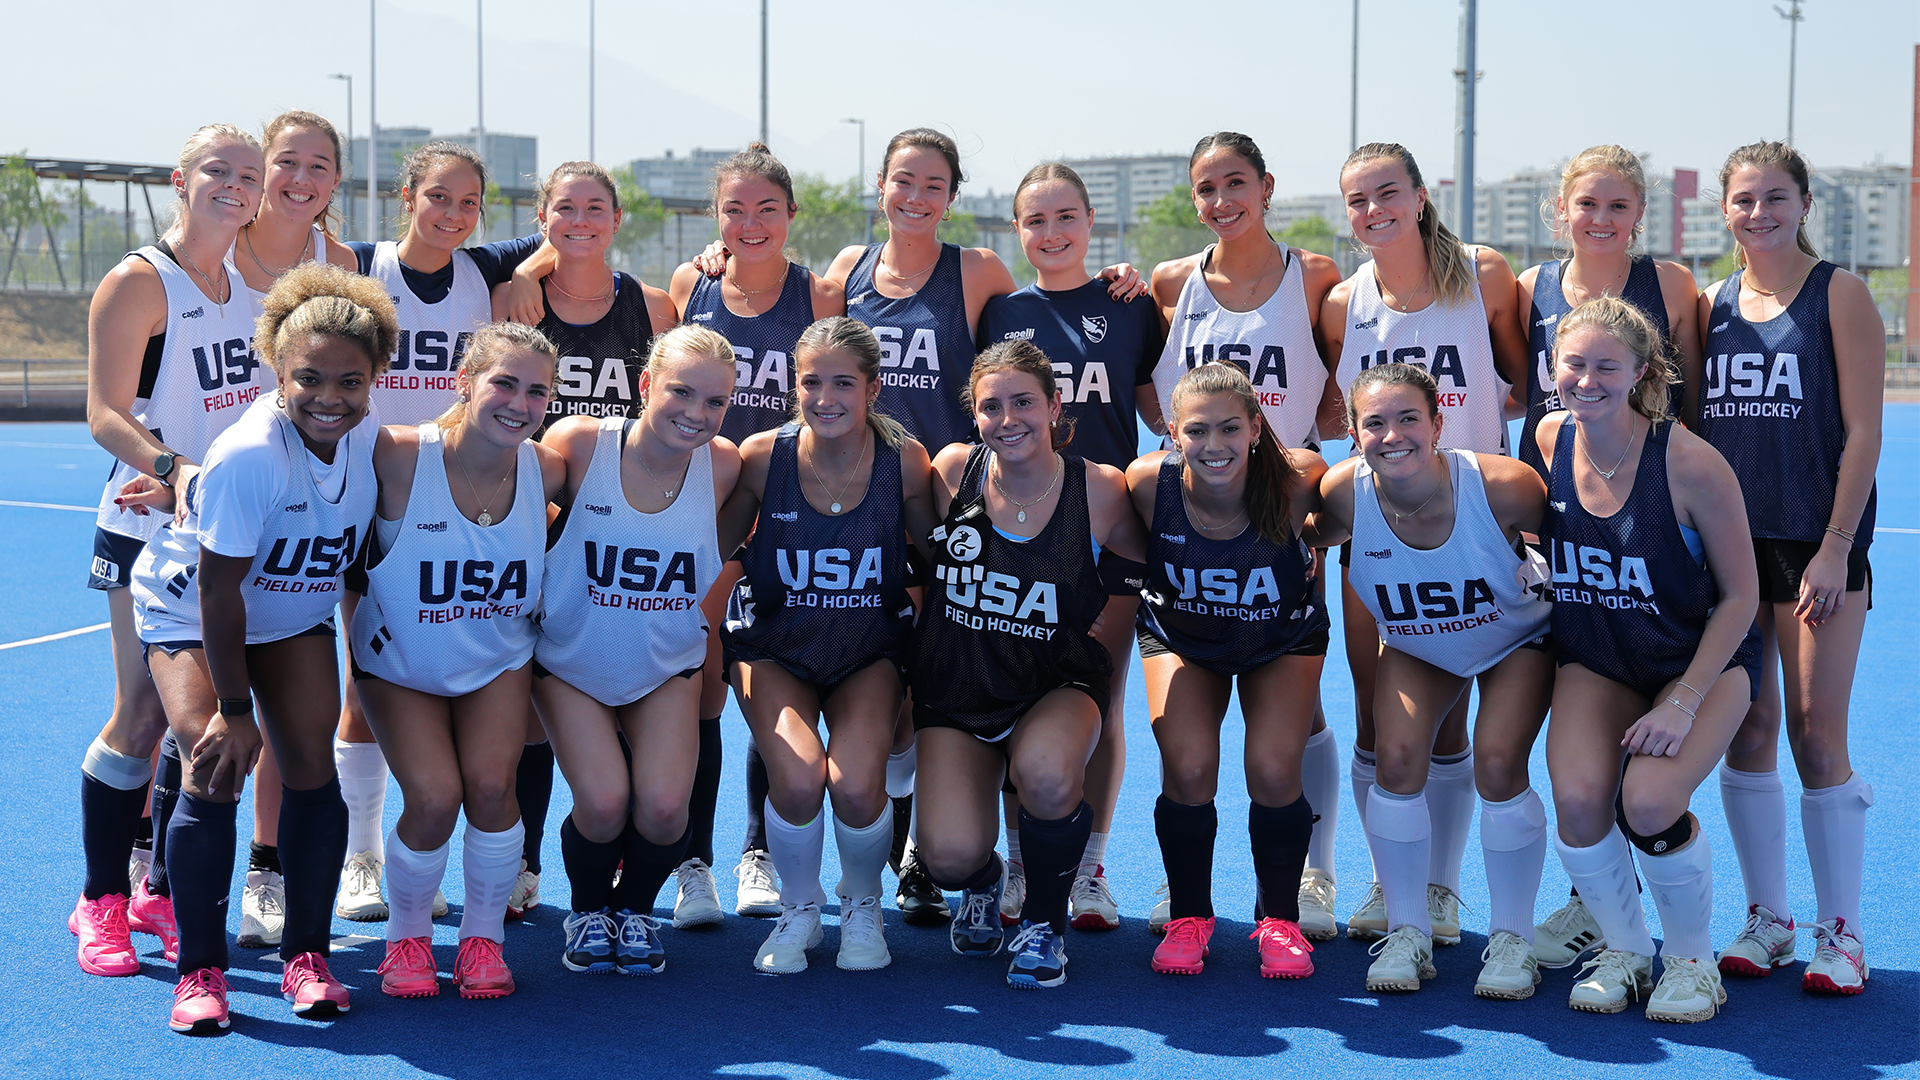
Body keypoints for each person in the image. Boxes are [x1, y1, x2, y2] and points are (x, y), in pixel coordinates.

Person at [122, 262, 398, 1032]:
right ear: (278, 367)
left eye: (350, 381)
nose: (329, 397)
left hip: (289, 611)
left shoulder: (364, 430)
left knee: (313, 772)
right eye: (309, 377)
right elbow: (218, 592)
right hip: (195, 613)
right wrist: (235, 709)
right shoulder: (251, 454)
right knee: (214, 765)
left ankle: (306, 957)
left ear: (376, 376)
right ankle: (200, 971)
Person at [1319, 141, 1530, 945]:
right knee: (1379, 714)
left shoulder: (1484, 275)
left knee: (1457, 721)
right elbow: (1333, 411)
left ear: (1418, 196)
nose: (1374, 210)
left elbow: (1521, 385)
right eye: (1358, 200)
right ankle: (1393, 881)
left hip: (1475, 527)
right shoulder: (1343, 302)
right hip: (1380, 525)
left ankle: (1441, 889)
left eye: (1387, 193)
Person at [334, 140, 544, 926]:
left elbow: (566, 227)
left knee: (465, 683)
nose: (454, 214)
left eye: (469, 203)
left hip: (464, 487)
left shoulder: (483, 271)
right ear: (406, 196)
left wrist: (529, 271)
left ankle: (461, 872)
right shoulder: (360, 266)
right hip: (375, 494)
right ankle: (362, 856)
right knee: (363, 685)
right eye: (438, 197)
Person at [74, 124, 267, 982]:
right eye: (217, 170)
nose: (235, 185)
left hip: (223, 534)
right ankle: (99, 899)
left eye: (248, 175)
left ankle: (155, 887)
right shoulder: (140, 280)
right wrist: (172, 469)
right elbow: (103, 412)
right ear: (181, 180)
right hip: (147, 524)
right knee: (143, 717)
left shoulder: (247, 289)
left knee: (202, 723)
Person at [1539, 296, 1761, 1023]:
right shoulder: (1548, 437)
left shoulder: (1690, 462)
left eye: (1608, 366)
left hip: (1698, 663)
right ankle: (1627, 949)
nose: (1588, 380)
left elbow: (1741, 598)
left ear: (1641, 371)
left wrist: (1684, 702)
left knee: (1650, 802)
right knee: (1578, 801)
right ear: (1552, 368)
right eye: (1575, 363)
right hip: (1600, 657)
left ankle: (1693, 962)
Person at [1147, 131, 1346, 938]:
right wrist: (1198, 444)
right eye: (1206, 188)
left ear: (1266, 186)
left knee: (1292, 727)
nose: (1222, 200)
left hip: (1279, 510)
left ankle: (1310, 876)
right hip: (1199, 505)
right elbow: (1150, 388)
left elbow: (1342, 386)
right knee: (1190, 748)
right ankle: (1189, 895)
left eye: (1236, 182)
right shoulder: (1169, 281)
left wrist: (1285, 454)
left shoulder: (1316, 277)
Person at [1310, 362, 1555, 998]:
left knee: (1498, 762)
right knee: (1392, 757)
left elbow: (1577, 547)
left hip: (1515, 638)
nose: (1392, 435)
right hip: (1419, 644)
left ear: (1439, 423)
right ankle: (1408, 929)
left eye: (1408, 419)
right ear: (1352, 433)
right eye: (1374, 423)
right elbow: (1302, 535)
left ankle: (1512, 939)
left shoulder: (1505, 486)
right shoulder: (1344, 494)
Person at [1700, 142, 1883, 996]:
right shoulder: (1709, 304)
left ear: (1805, 203)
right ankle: (1768, 919)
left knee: (1815, 735)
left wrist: (1837, 546)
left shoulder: (1839, 294)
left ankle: (1842, 932)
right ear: (1724, 210)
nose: (1759, 212)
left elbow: (1865, 431)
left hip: (1816, 547)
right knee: (1748, 728)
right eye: (1744, 199)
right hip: (1731, 551)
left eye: (1776, 196)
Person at [1516, 146, 1704, 968]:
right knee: (1581, 773)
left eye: (1617, 205)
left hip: (1657, 516)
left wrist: (1677, 505)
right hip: (1572, 522)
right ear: (1561, 210)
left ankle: (1705, 938)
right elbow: (1514, 396)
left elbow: (1693, 400)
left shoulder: (1673, 287)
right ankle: (1600, 914)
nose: (1600, 218)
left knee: (1653, 781)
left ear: (1639, 214)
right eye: (1586, 203)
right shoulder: (1527, 288)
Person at [911, 340, 1145, 989]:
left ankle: (1044, 924)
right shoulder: (950, 471)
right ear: (974, 413)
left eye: (1023, 403)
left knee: (1044, 772)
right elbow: (914, 556)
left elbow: (1134, 572)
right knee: (947, 857)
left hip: (1054, 684)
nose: (1008, 419)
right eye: (992, 406)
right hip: (960, 687)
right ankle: (987, 883)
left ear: (1054, 406)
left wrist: (1100, 647)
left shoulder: (1100, 489)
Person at [350, 322, 566, 999]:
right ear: (464, 382)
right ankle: (408, 936)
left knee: (495, 789)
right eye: (504, 382)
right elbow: (300, 469)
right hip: (400, 664)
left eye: (537, 391)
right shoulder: (398, 456)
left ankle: (482, 938)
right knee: (435, 795)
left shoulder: (549, 470)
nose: (519, 403)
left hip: (497, 659)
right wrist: (185, 485)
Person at [979, 162, 1166, 932]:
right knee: (1015, 696)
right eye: (1035, 220)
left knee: (1101, 701)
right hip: (1018, 532)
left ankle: (1089, 867)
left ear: (1091, 222)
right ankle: (1023, 863)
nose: (1051, 233)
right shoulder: (999, 312)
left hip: (1104, 532)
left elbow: (1161, 410)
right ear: (1016, 229)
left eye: (1065, 217)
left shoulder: (1130, 305)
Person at [720, 317, 934, 973]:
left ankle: (864, 903)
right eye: (811, 382)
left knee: (856, 786)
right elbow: (708, 548)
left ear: (873, 388)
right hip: (774, 649)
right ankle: (801, 908)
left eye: (843, 383)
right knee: (796, 776)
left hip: (867, 651)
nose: (825, 397)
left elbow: (939, 564)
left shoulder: (906, 463)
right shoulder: (763, 457)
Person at [668, 145, 842, 926]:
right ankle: (692, 864)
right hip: (701, 514)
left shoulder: (822, 293)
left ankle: (758, 852)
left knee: (779, 680)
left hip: (789, 516)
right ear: (716, 218)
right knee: (700, 687)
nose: (750, 222)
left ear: (791, 215)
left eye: (767, 208)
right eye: (734, 209)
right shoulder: (691, 285)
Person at [532, 324, 739, 975]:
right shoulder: (580, 444)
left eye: (715, 401)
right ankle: (588, 909)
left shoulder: (725, 466)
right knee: (601, 803)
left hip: (665, 667)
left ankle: (633, 911)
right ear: (646, 384)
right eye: (681, 392)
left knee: (666, 809)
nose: (696, 412)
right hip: (570, 662)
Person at [1128, 363, 1327, 979]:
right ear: (1172, 433)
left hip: (1281, 640)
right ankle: (1189, 915)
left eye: (1230, 428)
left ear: (1257, 428)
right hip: (1182, 640)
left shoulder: (1301, 480)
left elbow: (1352, 519)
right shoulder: (1146, 484)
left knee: (1273, 769)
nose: (1214, 445)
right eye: (1196, 430)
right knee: (1188, 767)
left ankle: (1281, 919)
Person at [228, 109, 364, 954]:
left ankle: (267, 870)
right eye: (287, 162)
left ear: (336, 181)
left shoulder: (341, 265)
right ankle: (147, 871)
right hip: (205, 497)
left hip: (313, 499)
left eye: (320, 166)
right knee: (170, 718)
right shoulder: (211, 250)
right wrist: (172, 467)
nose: (301, 179)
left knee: (299, 718)